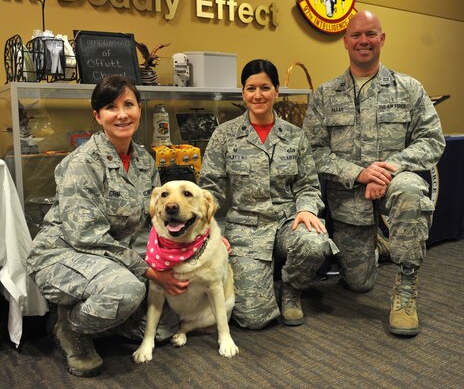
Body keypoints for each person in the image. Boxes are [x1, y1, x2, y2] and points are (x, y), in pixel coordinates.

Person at [27, 75, 187, 377]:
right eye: (111, 107)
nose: (122, 114)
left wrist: (202, 239)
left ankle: (104, 316)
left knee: (164, 328)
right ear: (98, 116)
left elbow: (157, 217)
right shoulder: (83, 162)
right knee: (125, 292)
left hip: (112, 259)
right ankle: (70, 328)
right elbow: (87, 236)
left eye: (129, 104)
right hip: (63, 255)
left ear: (139, 109)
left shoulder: (143, 160)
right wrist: (149, 271)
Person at [303, 10, 445, 336]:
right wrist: (359, 173)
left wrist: (389, 168)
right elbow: (311, 151)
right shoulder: (326, 94)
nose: (363, 41)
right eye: (356, 35)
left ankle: (406, 287)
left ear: (382, 38)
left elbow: (432, 140)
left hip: (397, 179)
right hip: (350, 195)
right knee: (359, 284)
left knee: (411, 193)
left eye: (370, 34)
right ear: (345, 42)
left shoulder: (409, 88)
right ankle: (381, 244)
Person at [199, 59, 338, 330]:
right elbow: (210, 187)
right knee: (253, 319)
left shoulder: (295, 137)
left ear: (277, 91)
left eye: (265, 87)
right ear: (243, 93)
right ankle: (264, 293)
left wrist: (307, 209)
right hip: (246, 227)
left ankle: (291, 289)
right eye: (251, 88)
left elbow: (308, 184)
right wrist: (209, 230)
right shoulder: (225, 135)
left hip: (287, 221)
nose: (258, 95)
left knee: (315, 243)